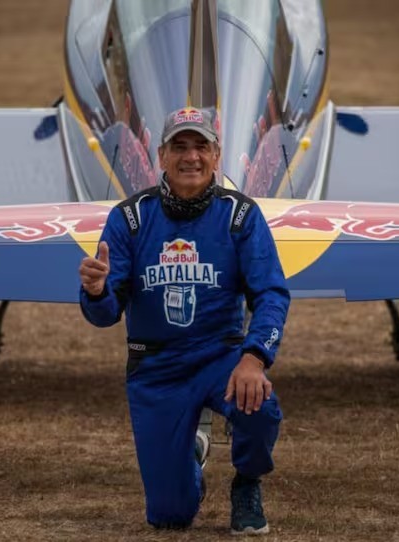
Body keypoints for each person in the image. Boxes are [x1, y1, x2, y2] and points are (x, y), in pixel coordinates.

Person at [79, 106, 289, 535]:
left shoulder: (240, 216)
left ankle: (247, 483)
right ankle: (190, 456)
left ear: (217, 156)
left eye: (200, 147)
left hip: (221, 358)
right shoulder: (130, 219)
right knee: (170, 518)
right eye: (179, 146)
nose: (190, 157)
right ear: (161, 155)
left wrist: (254, 358)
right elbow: (104, 315)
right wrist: (96, 292)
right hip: (155, 369)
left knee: (260, 406)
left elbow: (271, 293)